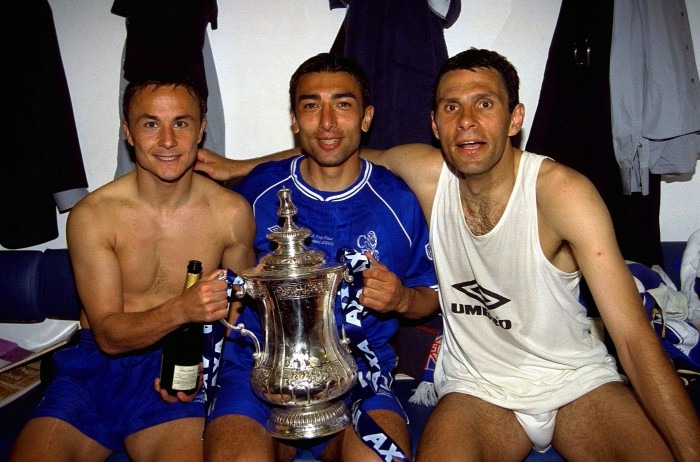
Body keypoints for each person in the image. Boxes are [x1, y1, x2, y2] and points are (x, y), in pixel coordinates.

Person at [196, 48, 700, 461]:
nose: (467, 123)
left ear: (514, 118)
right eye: (451, 108)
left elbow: (634, 340)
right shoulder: (427, 177)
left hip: (577, 381)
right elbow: (332, 147)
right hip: (476, 389)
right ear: (435, 124)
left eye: (484, 104)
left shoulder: (561, 193)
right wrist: (240, 165)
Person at [203, 53, 439, 462]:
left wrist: (401, 298)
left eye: (343, 104)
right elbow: (214, 283)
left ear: (366, 117)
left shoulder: (399, 201)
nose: (327, 122)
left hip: (360, 378)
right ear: (294, 119)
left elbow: (432, 294)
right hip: (259, 373)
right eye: (312, 106)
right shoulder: (257, 191)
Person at [10, 73, 256, 462]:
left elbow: (240, 312)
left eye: (181, 123)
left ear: (201, 130)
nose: (168, 141)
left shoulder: (230, 213)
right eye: (150, 124)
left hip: (176, 371)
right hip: (93, 370)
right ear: (128, 133)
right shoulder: (94, 215)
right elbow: (107, 334)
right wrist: (183, 308)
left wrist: (207, 367)